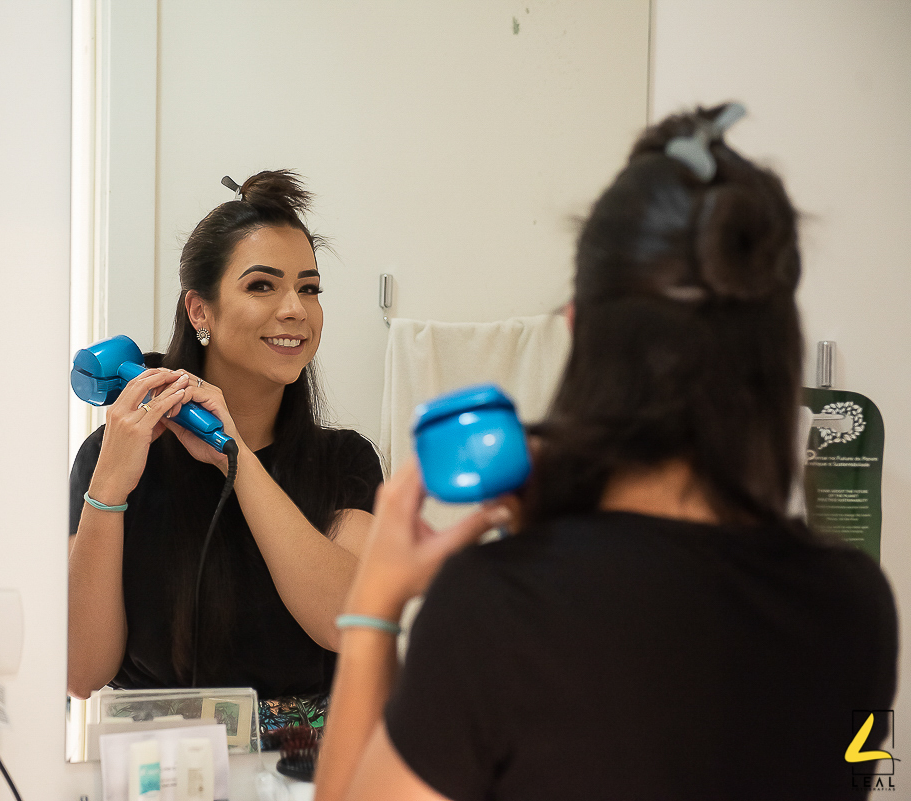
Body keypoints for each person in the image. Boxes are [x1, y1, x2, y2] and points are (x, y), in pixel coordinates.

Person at [315, 105, 898, 800]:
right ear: (773, 349)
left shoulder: (493, 608)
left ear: (580, 330)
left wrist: (374, 606)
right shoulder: (855, 606)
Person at [67, 170, 383, 706]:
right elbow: (81, 671)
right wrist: (108, 492)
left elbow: (347, 622)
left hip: (300, 777)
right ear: (199, 311)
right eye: (262, 285)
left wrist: (233, 457)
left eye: (309, 288)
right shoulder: (111, 458)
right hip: (152, 772)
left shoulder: (344, 461)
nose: (294, 309)